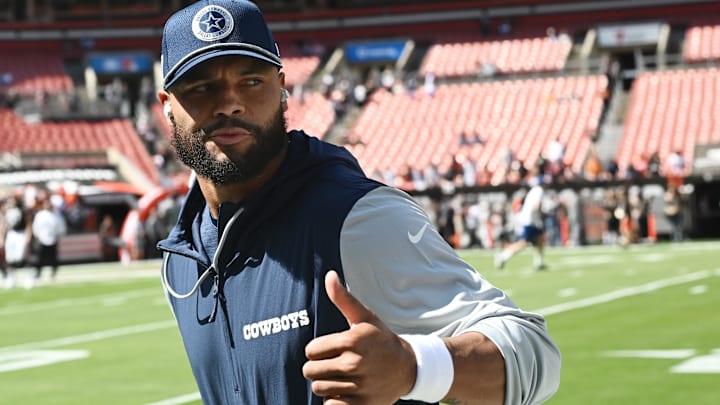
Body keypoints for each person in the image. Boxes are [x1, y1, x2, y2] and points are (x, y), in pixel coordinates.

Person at [156, 2, 561, 404]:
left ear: (282, 89)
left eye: (251, 81)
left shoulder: (355, 217)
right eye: (201, 87)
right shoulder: (182, 257)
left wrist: (414, 368)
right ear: (166, 105)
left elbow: (534, 354)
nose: (229, 103)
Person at [495, 176, 548, 270]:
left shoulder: (534, 190)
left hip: (531, 220)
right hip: (530, 221)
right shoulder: (539, 190)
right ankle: (502, 256)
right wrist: (544, 211)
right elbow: (536, 207)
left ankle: (538, 262)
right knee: (523, 243)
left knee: (540, 239)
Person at [29, 197, 66, 288]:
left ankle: (53, 274)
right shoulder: (40, 215)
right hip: (41, 239)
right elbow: (35, 227)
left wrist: (58, 236)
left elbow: (61, 228)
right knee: (39, 258)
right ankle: (38, 273)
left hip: (53, 239)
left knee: (53, 258)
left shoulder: (56, 215)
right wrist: (37, 236)